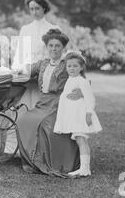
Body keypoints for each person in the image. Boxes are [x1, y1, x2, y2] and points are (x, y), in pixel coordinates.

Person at [16, 29, 82, 177]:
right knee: (23, 120)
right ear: (47, 47)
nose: (53, 49)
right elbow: (28, 68)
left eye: (57, 46)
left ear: (62, 48)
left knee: (43, 123)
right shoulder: (43, 64)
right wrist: (19, 69)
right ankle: (33, 161)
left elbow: (80, 80)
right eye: (50, 45)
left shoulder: (67, 64)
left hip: (60, 103)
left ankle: (49, 162)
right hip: (43, 103)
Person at [54, 51, 102, 177]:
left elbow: (90, 98)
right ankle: (83, 168)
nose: (72, 68)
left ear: (81, 67)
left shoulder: (82, 81)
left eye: (75, 66)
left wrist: (88, 114)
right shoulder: (71, 79)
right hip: (74, 116)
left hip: (81, 116)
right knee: (80, 140)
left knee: (81, 140)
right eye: (69, 66)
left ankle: (85, 168)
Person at [12, 0, 60, 110]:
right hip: (29, 72)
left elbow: (57, 53)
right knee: (27, 104)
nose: (34, 12)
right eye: (31, 9)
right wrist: (19, 70)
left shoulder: (53, 29)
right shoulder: (26, 29)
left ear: (44, 8)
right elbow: (20, 52)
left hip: (47, 72)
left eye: (37, 8)